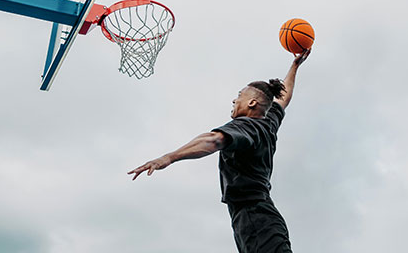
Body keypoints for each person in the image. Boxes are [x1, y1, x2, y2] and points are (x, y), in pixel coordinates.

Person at [128, 49, 311, 252]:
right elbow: (282, 99)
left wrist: (168, 157)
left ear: (252, 103)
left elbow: (214, 140)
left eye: (239, 95)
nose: (234, 100)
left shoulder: (247, 125)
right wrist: (294, 67)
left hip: (256, 218)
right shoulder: (267, 123)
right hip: (260, 217)